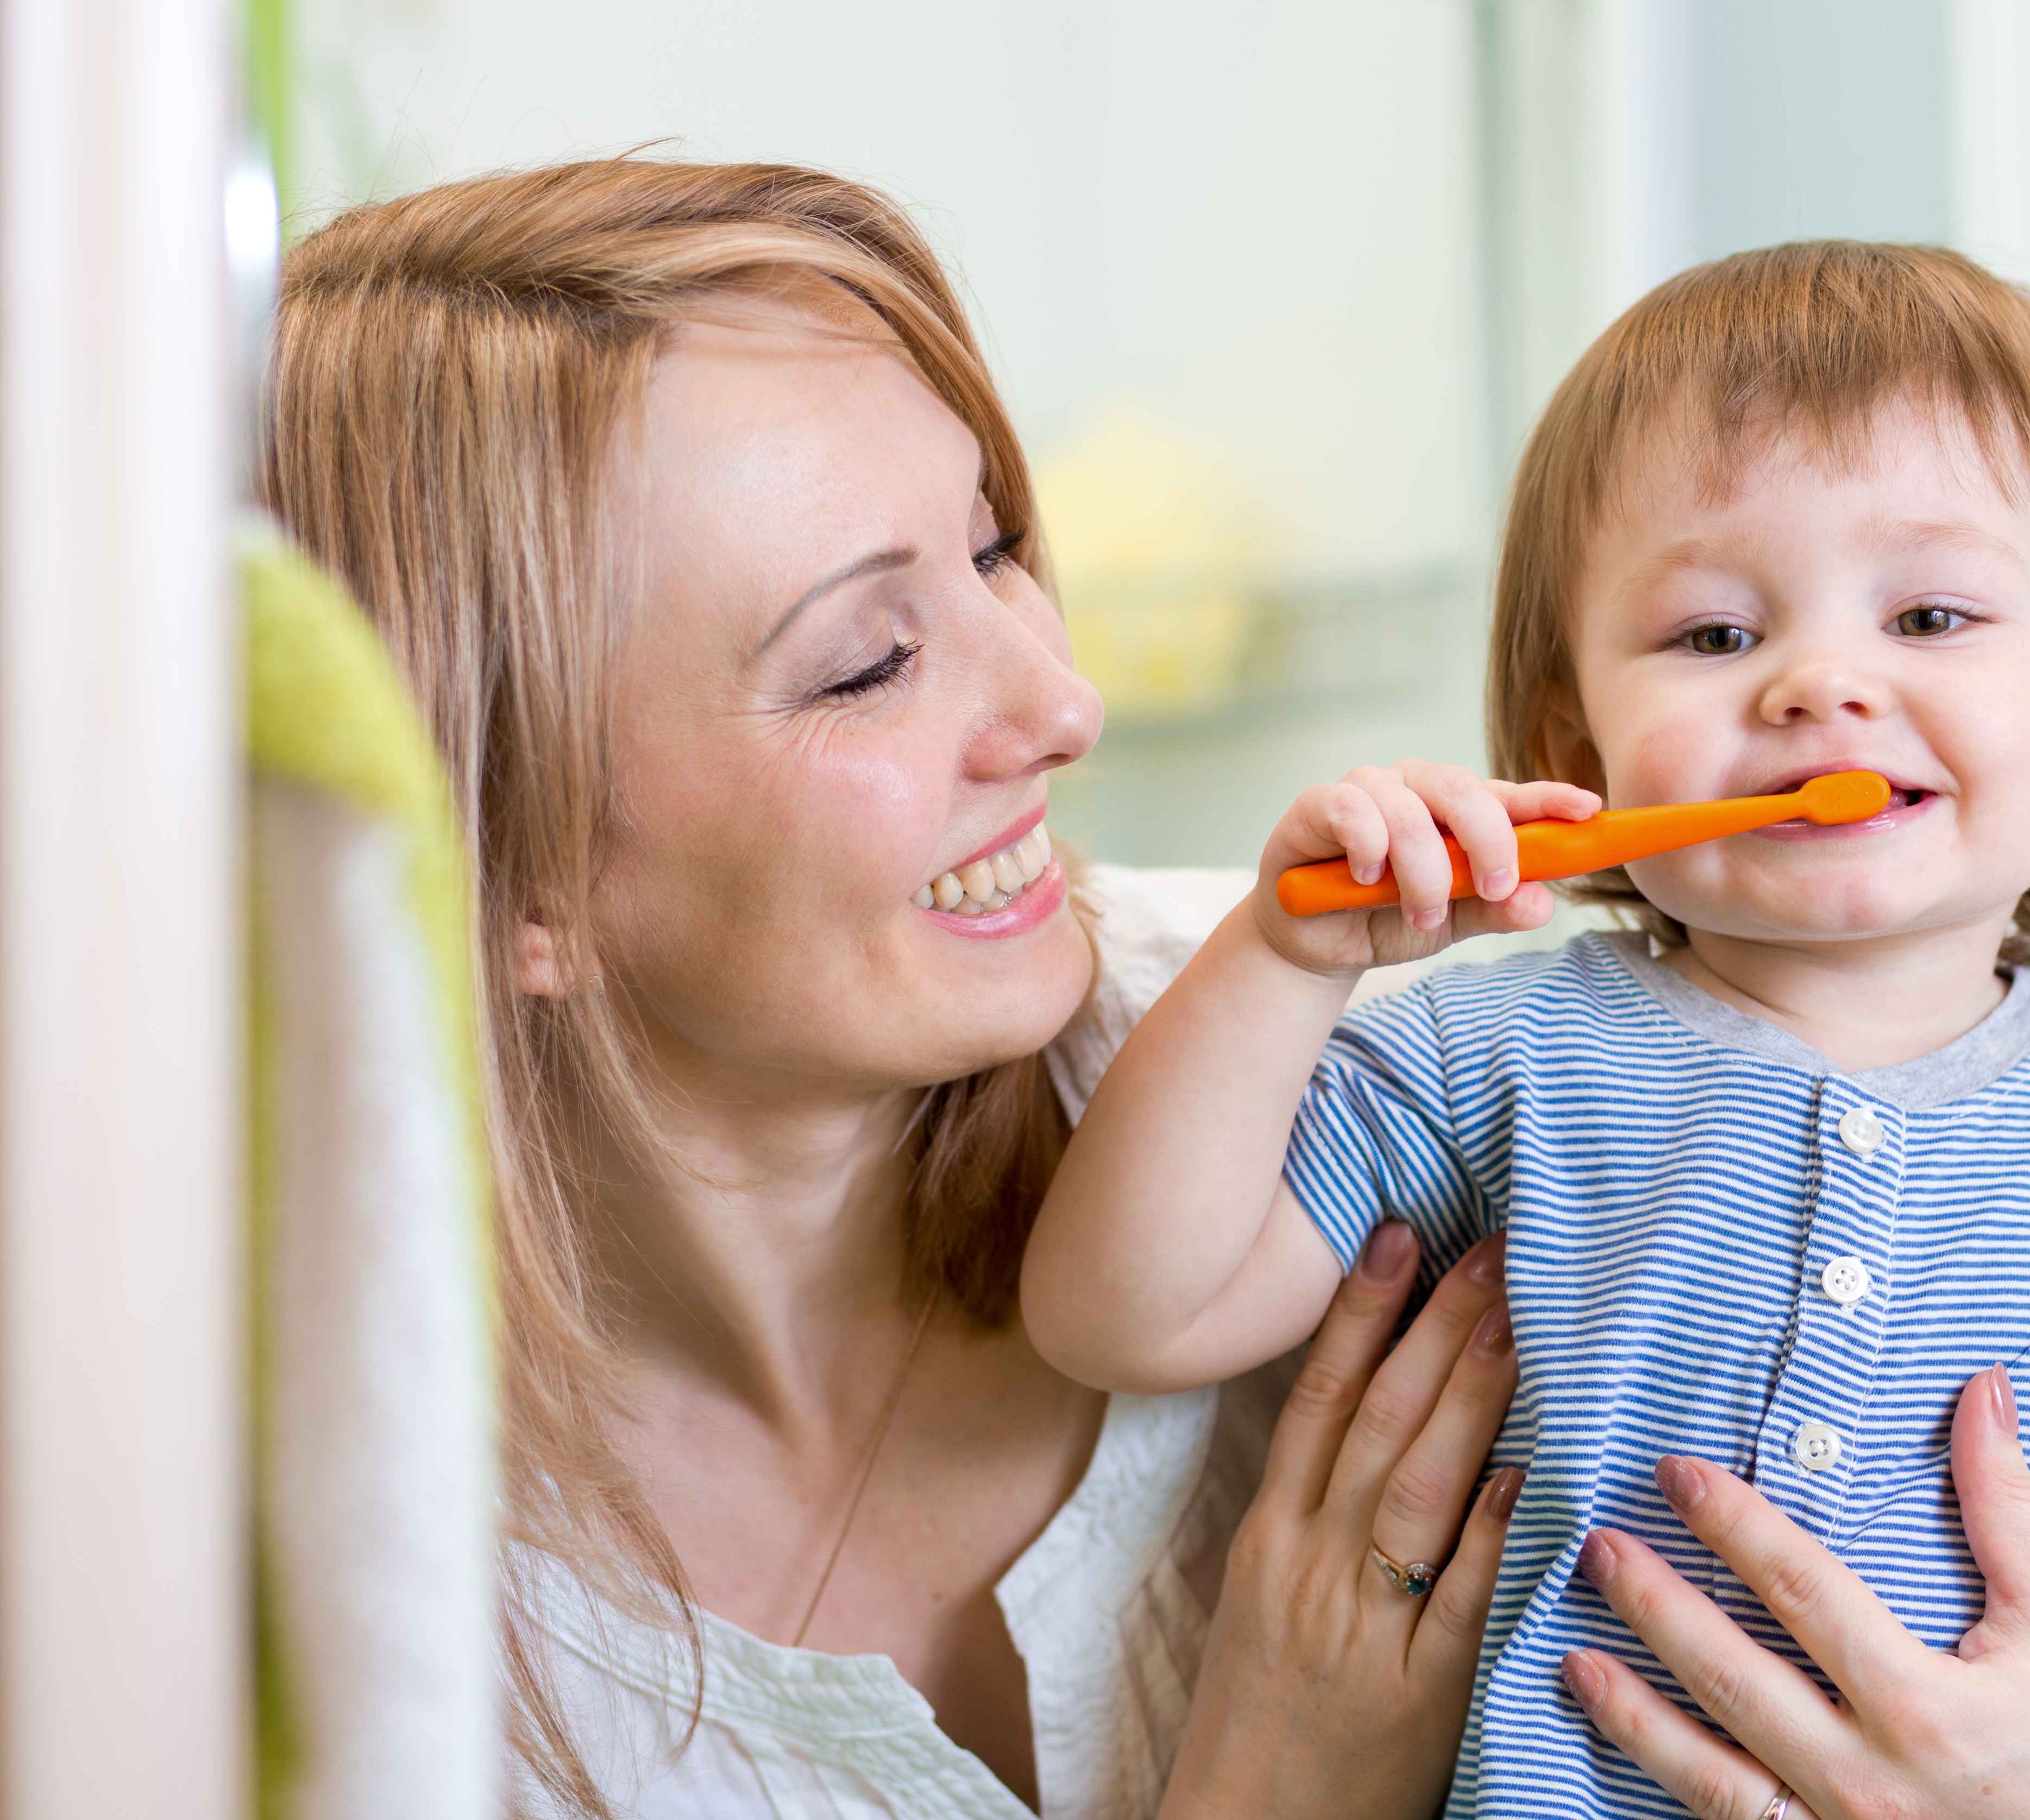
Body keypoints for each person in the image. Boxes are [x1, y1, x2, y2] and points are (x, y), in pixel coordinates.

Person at [1021, 242, 2030, 1818]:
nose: (1818, 685)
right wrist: (1278, 958)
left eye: (1927, 612)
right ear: (1580, 749)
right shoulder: (1482, 1055)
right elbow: (1125, 1319)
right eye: (1714, 635)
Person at [259, 160, 1522, 1820]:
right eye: (866, 662)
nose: (1062, 705)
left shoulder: (1375, 1079)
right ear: (507, 877)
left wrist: (1990, 1760)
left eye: (995, 551)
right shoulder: (296, 1601)